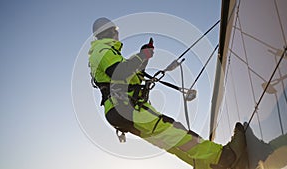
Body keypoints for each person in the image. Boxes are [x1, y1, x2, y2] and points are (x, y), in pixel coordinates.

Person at [88, 17, 246, 169]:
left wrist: (144, 58)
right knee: (173, 131)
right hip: (126, 107)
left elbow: (131, 77)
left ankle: (208, 165)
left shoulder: (107, 53)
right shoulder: (102, 50)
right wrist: (143, 55)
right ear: (111, 32)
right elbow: (120, 72)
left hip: (119, 110)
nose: (117, 35)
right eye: (116, 31)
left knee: (167, 141)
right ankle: (225, 157)